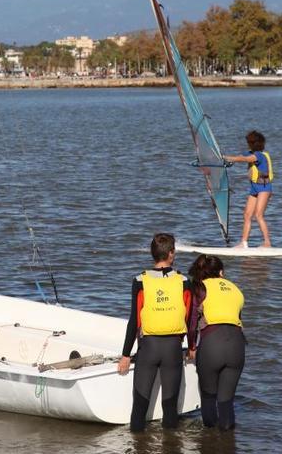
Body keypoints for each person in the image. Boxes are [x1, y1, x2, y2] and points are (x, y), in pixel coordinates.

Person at [117, 233, 193, 432]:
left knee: (139, 407)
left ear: (153, 254)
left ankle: (138, 445)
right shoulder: (184, 281)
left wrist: (125, 355)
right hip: (173, 349)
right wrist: (191, 347)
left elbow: (134, 320)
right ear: (171, 254)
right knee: (170, 408)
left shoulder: (140, 280)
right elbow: (190, 318)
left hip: (148, 349)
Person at [187, 254, 245, 431]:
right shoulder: (235, 288)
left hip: (212, 345)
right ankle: (227, 443)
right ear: (221, 272)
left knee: (208, 397)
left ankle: (210, 442)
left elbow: (192, 323)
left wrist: (192, 348)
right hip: (237, 345)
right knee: (226, 402)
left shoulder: (199, 287)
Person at [224, 130, 273, 248]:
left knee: (259, 215)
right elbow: (241, 156)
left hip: (264, 188)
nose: (247, 144)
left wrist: (226, 157)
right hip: (254, 188)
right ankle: (243, 243)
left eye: (248, 142)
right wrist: (226, 158)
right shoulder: (251, 152)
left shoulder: (259, 156)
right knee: (247, 214)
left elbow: (245, 159)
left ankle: (267, 243)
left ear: (253, 143)